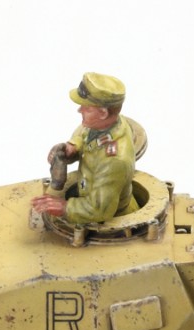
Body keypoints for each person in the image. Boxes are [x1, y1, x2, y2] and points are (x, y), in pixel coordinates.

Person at [30, 72, 138, 225]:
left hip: (110, 221)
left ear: (103, 113)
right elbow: (84, 132)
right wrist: (73, 146)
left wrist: (65, 207)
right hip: (87, 191)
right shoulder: (106, 124)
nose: (79, 110)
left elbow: (100, 210)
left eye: (86, 108)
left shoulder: (114, 161)